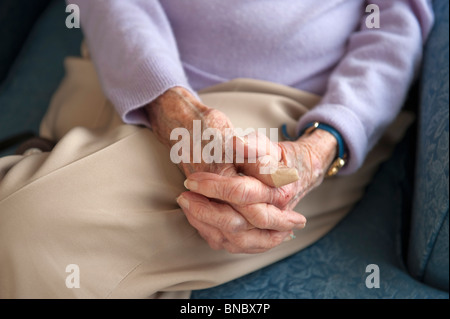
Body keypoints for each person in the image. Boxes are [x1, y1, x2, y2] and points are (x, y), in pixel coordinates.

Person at [0, 0, 433, 298]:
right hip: (123, 60)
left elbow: (397, 22)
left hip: (288, 113)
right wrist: (170, 102)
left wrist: (323, 144)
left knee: (19, 232)